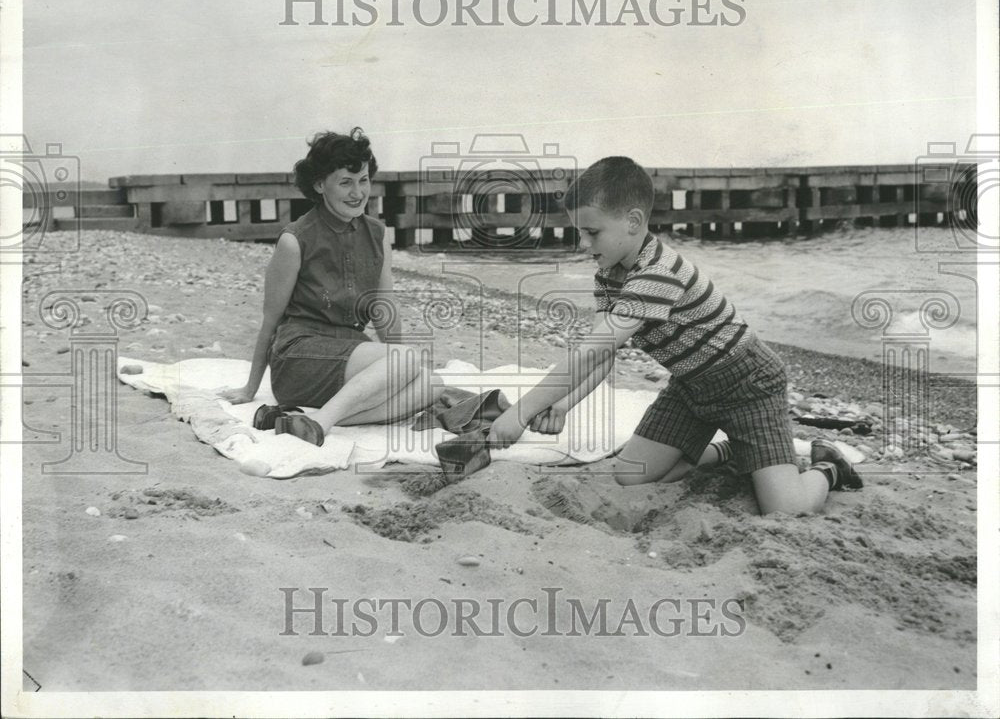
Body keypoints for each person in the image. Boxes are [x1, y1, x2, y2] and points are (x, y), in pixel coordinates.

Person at [487, 156, 862, 515]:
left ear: (633, 221)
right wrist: (563, 405)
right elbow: (601, 354)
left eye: (592, 232)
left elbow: (589, 352)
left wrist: (522, 412)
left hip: (749, 384)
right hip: (691, 388)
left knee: (787, 508)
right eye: (580, 232)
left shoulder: (656, 273)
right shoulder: (609, 273)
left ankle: (828, 468)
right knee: (631, 475)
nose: (584, 244)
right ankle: (734, 451)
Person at [219, 128, 438, 446]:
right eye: (345, 182)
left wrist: (399, 362)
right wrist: (250, 389)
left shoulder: (378, 234)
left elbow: (384, 311)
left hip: (347, 352)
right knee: (408, 362)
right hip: (298, 356)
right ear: (320, 184)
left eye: (363, 180)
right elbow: (271, 320)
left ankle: (300, 421)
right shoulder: (294, 241)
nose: (357, 192)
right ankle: (322, 421)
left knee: (432, 383)